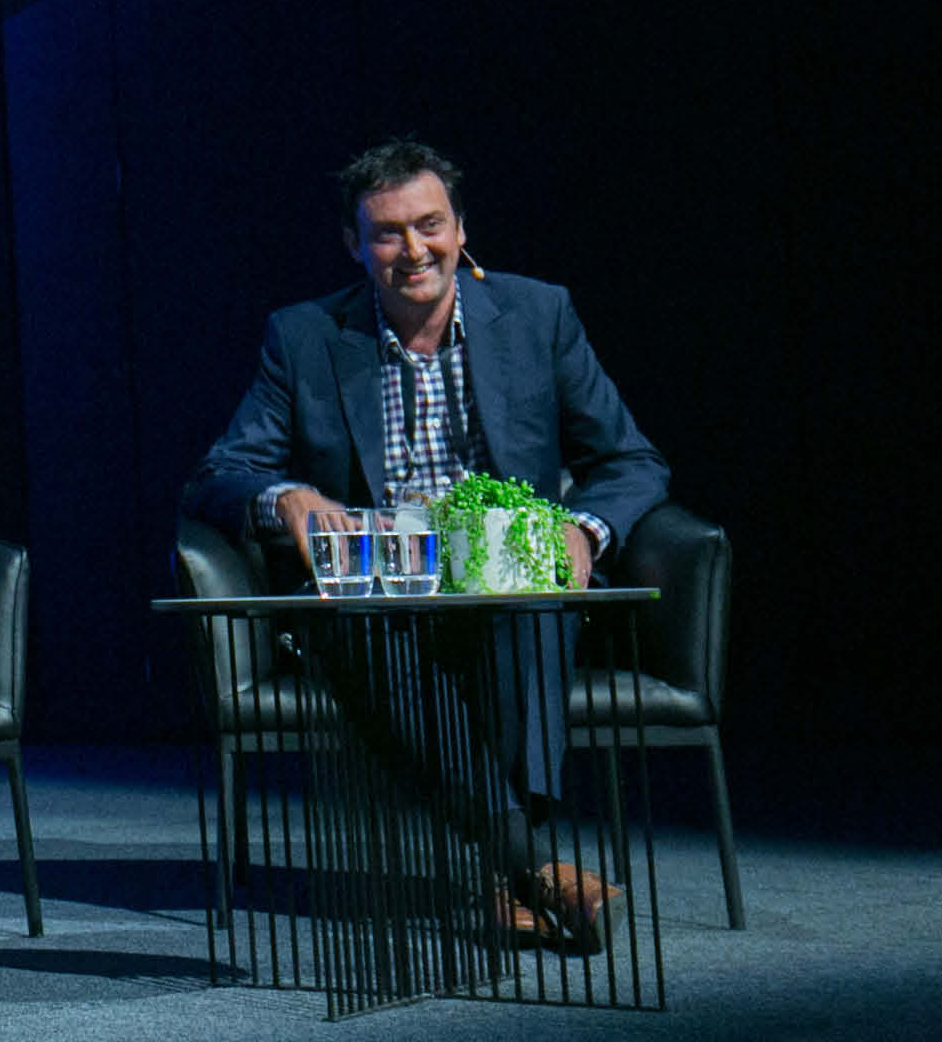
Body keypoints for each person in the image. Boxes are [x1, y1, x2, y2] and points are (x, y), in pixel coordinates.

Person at [187, 137, 669, 949]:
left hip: (501, 582)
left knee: (529, 606)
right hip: (379, 597)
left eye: (430, 225)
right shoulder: (303, 335)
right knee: (357, 626)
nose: (414, 250)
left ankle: (506, 872)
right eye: (388, 233)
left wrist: (581, 527)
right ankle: (538, 868)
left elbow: (630, 460)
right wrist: (285, 496)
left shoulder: (537, 314)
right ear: (355, 245)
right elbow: (222, 469)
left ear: (460, 228)